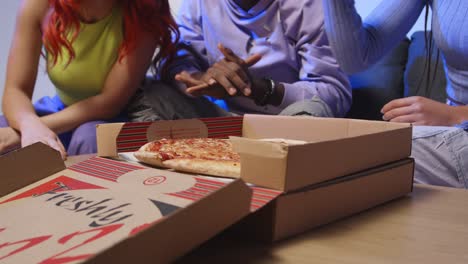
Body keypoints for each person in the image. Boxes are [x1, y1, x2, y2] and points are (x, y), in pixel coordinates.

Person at [0, 0, 178, 159]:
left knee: (90, 138)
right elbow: (16, 89)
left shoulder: (146, 9)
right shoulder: (39, 5)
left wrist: (32, 130)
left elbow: (110, 102)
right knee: (3, 131)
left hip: (117, 115)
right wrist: (28, 125)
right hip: (61, 108)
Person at [322, 0, 468, 188]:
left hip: (457, 124)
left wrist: (456, 115)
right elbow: (357, 58)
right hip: (455, 131)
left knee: (345, 156)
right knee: (325, 153)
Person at [132, 0, 351, 121]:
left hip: (286, 123)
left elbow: (334, 94)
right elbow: (176, 59)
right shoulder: (199, 4)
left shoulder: (312, 5)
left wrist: (257, 88)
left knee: (312, 112)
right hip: (223, 121)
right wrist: (201, 80)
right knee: (153, 91)